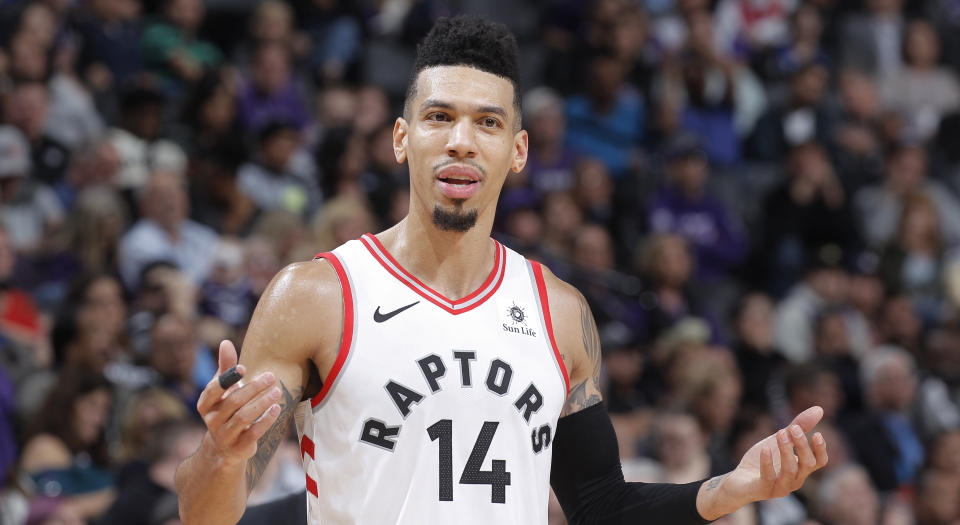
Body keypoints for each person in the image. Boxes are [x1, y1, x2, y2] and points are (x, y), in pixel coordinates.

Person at [176, 16, 829, 525]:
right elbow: (205, 513)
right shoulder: (318, 294)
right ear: (402, 138)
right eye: (439, 117)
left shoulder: (560, 311)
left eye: (486, 122)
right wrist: (223, 453)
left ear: (518, 151)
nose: (461, 139)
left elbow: (601, 508)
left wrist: (730, 488)